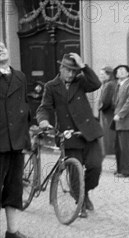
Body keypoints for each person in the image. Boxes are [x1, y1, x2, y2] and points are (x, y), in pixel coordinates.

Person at [37, 53, 104, 218]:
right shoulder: (51, 86)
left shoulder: (81, 81)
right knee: (75, 173)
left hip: (88, 132)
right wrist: (44, 121)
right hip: (69, 136)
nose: (72, 74)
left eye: (75, 71)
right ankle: (80, 201)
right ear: (61, 68)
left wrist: (83, 66)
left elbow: (96, 83)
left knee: (95, 167)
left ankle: (84, 192)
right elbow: (44, 107)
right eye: (69, 70)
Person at [0, 40, 34, 238]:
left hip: (16, 141)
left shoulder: (19, 76)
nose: (1, 48)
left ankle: (12, 231)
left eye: (2, 45)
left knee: (14, 188)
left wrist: (27, 134)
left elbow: (25, 106)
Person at [112, 64, 129, 177]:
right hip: (119, 122)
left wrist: (120, 114)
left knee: (125, 148)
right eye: (118, 71)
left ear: (128, 73)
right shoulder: (119, 85)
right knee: (119, 147)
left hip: (126, 121)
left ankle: (127, 171)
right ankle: (121, 169)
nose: (120, 72)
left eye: (123, 70)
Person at [98, 66, 116, 156]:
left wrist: (100, 107)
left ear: (108, 75)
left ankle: (109, 154)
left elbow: (105, 101)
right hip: (110, 113)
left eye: (102, 74)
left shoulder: (109, 85)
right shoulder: (112, 84)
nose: (100, 76)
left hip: (107, 114)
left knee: (108, 137)